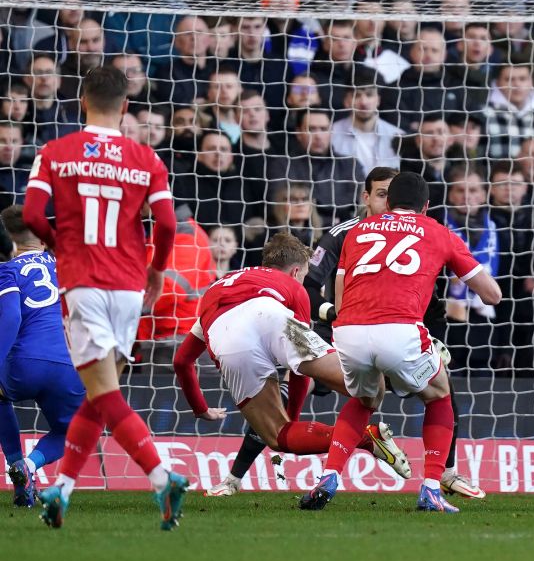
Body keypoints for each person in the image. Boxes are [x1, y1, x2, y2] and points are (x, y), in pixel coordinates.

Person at [205, 168, 488, 501]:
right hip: (336, 333)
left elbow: (434, 304)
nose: (388, 202)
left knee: (443, 385)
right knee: (284, 393)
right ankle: (235, 477)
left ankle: (448, 474)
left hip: (393, 332)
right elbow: (306, 286)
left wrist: (432, 334)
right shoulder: (345, 233)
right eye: (381, 194)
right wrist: (331, 313)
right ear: (366, 198)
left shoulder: (420, 234)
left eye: (391, 195)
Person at [21, 65, 184, 530]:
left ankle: (162, 478)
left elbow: (32, 213)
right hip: (129, 288)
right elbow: (168, 225)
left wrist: (57, 243)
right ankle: (63, 489)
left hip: (84, 284)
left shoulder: (55, 152)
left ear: (81, 102)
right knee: (98, 395)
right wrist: (156, 270)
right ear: (126, 106)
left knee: (103, 392)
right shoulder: (146, 158)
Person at [299, 172, 501, 514]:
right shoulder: (439, 231)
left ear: (388, 203)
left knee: (366, 398)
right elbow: (491, 295)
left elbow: (340, 293)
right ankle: (433, 486)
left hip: (348, 330)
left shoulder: (357, 231)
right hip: (399, 327)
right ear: (426, 206)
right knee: (439, 393)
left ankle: (330, 475)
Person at [172, 233, 411, 484]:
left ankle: (367, 438)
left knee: (278, 436)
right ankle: (391, 355)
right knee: (368, 389)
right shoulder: (296, 288)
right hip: (275, 317)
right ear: (297, 271)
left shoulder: (221, 285)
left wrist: (200, 409)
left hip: (227, 333)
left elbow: (181, 362)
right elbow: (300, 370)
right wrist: (294, 416)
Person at [0, 206, 84, 507]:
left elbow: (9, 318)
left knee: (0, 396)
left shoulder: (6, 270)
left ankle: (14, 461)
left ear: (9, 240)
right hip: (69, 364)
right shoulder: (68, 265)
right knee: (76, 429)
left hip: (23, 365)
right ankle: (31, 465)